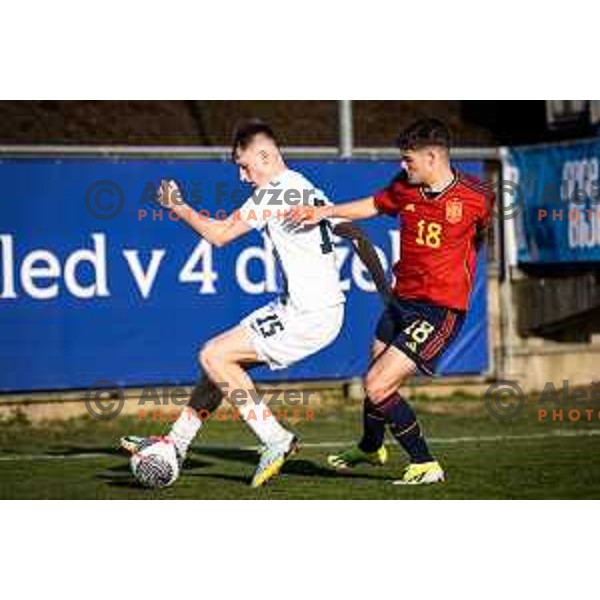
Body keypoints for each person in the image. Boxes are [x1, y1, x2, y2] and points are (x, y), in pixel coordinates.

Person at [120, 119, 384, 488]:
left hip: (307, 315)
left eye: (245, 165)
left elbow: (220, 235)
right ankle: (175, 443)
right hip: (304, 309)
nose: (243, 177)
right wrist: (385, 287)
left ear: (265, 155)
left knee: (214, 356)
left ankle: (276, 439)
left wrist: (177, 206)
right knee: (218, 363)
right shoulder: (308, 188)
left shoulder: (276, 192)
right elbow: (354, 232)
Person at [291, 118, 492, 484]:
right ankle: (370, 447)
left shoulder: (476, 197)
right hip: (402, 301)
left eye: (408, 159)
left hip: (439, 310)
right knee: (376, 374)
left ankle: (425, 463)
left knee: (378, 385)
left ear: (432, 157)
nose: (403, 166)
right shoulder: (406, 187)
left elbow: (481, 232)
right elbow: (373, 204)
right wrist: (323, 211)